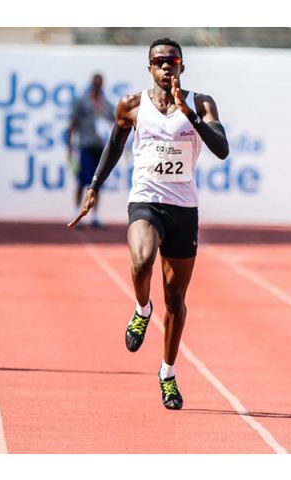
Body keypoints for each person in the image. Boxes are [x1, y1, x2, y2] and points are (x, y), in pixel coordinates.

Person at [68, 38, 229, 410]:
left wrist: (188, 113)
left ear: (182, 66)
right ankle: (142, 309)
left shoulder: (201, 103)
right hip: (145, 201)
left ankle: (167, 373)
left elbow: (221, 149)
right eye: (158, 61)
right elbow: (113, 145)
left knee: (176, 300)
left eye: (172, 60)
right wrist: (94, 187)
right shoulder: (132, 104)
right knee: (141, 261)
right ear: (150, 67)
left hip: (184, 209)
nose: (166, 66)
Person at [68, 73, 115, 229]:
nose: (97, 86)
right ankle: (76, 212)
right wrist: (70, 145)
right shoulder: (83, 101)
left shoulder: (106, 104)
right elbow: (73, 123)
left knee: (97, 182)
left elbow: (114, 123)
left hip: (101, 148)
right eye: (95, 83)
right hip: (86, 145)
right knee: (82, 181)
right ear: (91, 84)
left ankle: (95, 216)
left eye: (99, 83)